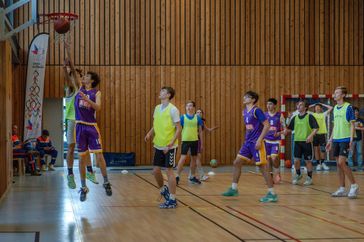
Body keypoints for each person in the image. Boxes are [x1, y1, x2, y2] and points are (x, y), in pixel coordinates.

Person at [222, 91, 277, 203]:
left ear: (253, 99)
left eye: (247, 97)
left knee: (263, 167)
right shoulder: (244, 112)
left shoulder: (257, 110)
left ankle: (272, 193)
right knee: (237, 162)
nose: (244, 98)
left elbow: (267, 125)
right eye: (244, 96)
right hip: (248, 143)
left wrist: (259, 140)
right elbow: (249, 127)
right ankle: (234, 188)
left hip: (257, 143)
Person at [74, 70, 112, 201]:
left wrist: (87, 100)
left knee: (99, 155)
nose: (84, 77)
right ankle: (84, 187)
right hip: (79, 126)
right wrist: (67, 52)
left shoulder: (96, 92)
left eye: (87, 77)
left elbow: (98, 108)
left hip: (91, 126)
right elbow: (74, 72)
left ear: (92, 81)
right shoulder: (79, 88)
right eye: (83, 76)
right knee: (81, 158)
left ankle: (106, 182)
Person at [63, 46, 98, 189]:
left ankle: (89, 171)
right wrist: (67, 55)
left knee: (86, 148)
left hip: (82, 120)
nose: (79, 77)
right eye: (75, 75)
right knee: (71, 147)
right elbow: (68, 71)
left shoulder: (83, 88)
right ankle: (70, 174)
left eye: (79, 76)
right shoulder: (71, 86)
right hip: (71, 120)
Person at [145, 87, 181, 209]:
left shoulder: (173, 110)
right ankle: (163, 189)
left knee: (169, 171)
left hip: (169, 146)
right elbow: (156, 125)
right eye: (160, 91)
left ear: (168, 95)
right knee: (155, 170)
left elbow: (178, 129)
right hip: (158, 144)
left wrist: (171, 144)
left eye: (163, 91)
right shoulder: (156, 108)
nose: (160, 93)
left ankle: (172, 199)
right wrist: (150, 133)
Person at [326, 86, 359, 198]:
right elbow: (335, 126)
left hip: (345, 138)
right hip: (336, 139)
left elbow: (352, 124)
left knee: (341, 162)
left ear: (343, 95)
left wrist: (351, 139)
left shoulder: (348, 107)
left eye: (337, 93)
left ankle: (354, 185)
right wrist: (330, 139)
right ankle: (341, 188)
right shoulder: (335, 108)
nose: (334, 94)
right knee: (338, 165)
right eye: (334, 92)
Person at [284, 100, 318, 186]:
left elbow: (316, 128)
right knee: (296, 161)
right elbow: (288, 129)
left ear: (305, 107)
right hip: (297, 142)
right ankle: (298, 174)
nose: (298, 106)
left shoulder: (310, 116)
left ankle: (309, 178)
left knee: (308, 161)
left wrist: (311, 136)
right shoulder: (295, 118)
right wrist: (282, 130)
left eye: (301, 105)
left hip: (306, 142)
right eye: (297, 105)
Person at [175, 101, 204, 184]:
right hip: (185, 141)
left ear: (193, 108)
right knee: (183, 158)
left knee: (194, 159)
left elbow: (200, 132)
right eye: (187, 106)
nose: (188, 107)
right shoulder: (182, 117)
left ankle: (192, 176)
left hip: (195, 141)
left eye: (190, 106)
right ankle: (177, 176)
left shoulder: (197, 118)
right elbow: (178, 129)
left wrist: (201, 143)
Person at [188, 108, 218, 181]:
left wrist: (213, 129)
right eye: (197, 112)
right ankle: (201, 175)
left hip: (198, 141)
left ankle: (190, 175)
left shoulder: (202, 122)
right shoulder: (193, 120)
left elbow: (208, 130)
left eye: (200, 112)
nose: (199, 113)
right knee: (197, 158)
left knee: (195, 159)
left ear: (202, 114)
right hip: (193, 140)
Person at [264, 98, 286, 184]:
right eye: (267, 104)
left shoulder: (280, 115)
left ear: (274, 105)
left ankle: (277, 172)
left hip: (275, 142)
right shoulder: (264, 115)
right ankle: (270, 177)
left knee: (274, 158)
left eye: (270, 104)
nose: (268, 106)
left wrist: (279, 133)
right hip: (266, 140)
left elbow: (285, 129)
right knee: (268, 159)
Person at [308, 103, 333, 171]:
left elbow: (331, 108)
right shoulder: (312, 114)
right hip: (315, 134)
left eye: (319, 107)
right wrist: (313, 105)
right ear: (314, 108)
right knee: (316, 149)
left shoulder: (323, 114)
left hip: (322, 134)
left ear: (321, 108)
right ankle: (318, 164)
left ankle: (322, 163)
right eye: (316, 107)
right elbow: (306, 108)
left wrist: (322, 104)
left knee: (322, 149)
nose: (317, 108)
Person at [347, 107, 363, 171]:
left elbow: (363, 128)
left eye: (356, 111)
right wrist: (354, 127)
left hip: (359, 139)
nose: (355, 112)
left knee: (359, 153)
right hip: (351, 139)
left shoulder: (361, 120)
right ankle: (350, 167)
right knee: (350, 153)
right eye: (354, 111)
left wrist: (355, 127)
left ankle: (360, 167)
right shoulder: (349, 120)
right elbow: (348, 128)